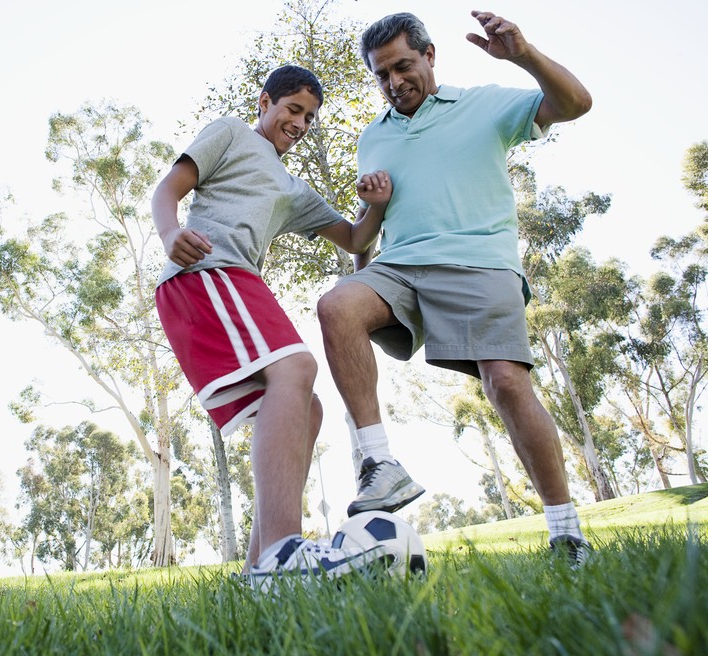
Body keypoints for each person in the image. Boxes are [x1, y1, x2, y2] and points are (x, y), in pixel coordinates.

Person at [317, 11, 593, 566]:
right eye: (381, 74)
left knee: (506, 383)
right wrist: (366, 238)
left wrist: (524, 55)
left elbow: (575, 104)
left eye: (403, 66)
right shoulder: (373, 136)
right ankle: (380, 463)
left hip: (479, 262)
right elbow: (367, 231)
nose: (394, 82)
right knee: (337, 305)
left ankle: (567, 534)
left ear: (430, 55)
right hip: (401, 266)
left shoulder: (483, 105)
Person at [153, 64, 395, 588]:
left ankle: (257, 574)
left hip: (239, 282)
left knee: (309, 408)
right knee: (297, 367)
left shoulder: (294, 190)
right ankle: (285, 553)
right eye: (293, 110)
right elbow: (167, 188)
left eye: (309, 117)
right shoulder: (231, 134)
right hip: (206, 272)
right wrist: (170, 233)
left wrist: (374, 207)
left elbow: (355, 240)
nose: (300, 124)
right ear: (265, 102)